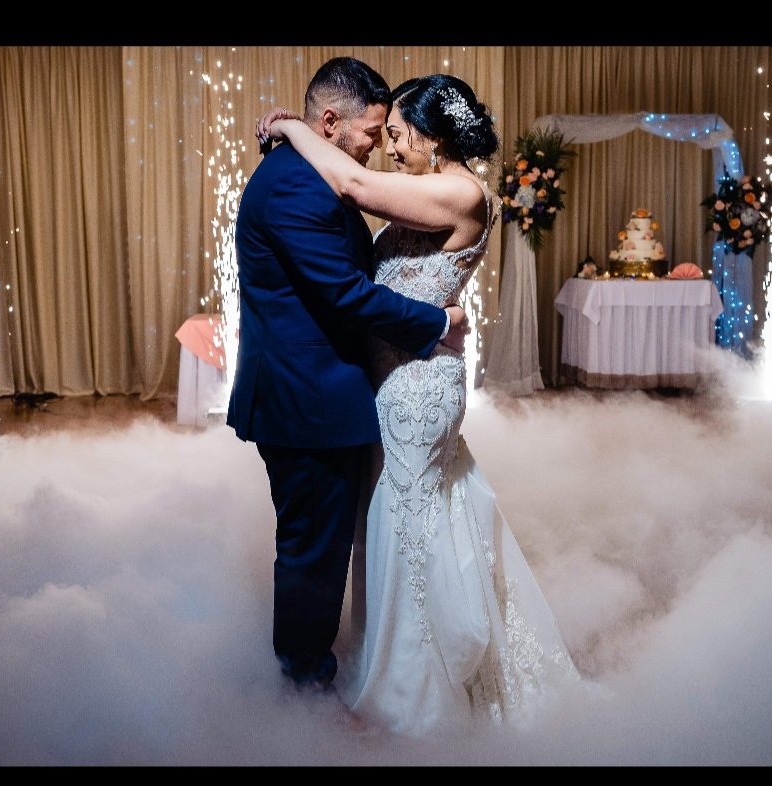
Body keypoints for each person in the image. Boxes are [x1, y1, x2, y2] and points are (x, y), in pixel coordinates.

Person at [261, 74, 581, 736]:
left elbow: (352, 186)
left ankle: (412, 695)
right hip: (396, 384)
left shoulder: (457, 189)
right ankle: (403, 661)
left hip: (414, 389)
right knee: (409, 522)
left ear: (434, 136)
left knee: (405, 531)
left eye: (400, 135)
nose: (392, 149)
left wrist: (291, 129)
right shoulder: (439, 189)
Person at [227, 57, 470, 697]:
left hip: (327, 392)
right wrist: (433, 319)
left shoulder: (309, 172)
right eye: (369, 132)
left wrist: (288, 125)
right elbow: (343, 294)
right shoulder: (294, 185)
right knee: (313, 547)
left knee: (329, 541)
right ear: (330, 123)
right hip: (306, 398)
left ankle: (324, 663)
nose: (374, 148)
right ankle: (303, 684)